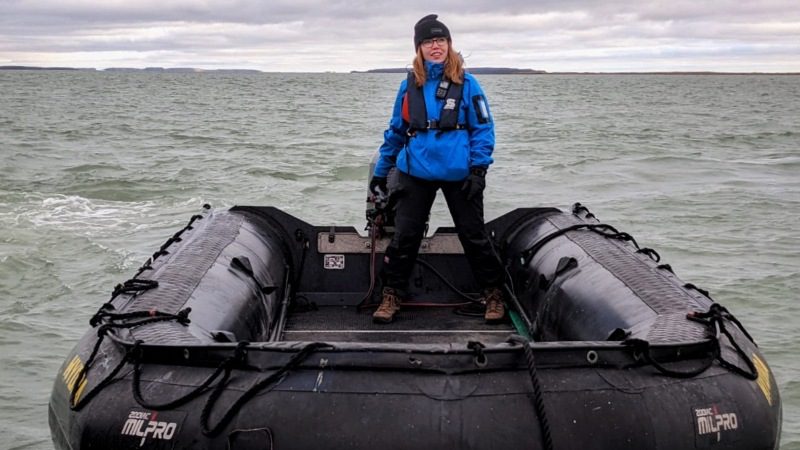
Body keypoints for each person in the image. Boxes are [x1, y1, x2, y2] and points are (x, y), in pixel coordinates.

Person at [369, 14, 506, 324]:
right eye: (429, 41)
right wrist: (382, 170)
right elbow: (395, 131)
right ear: (419, 48)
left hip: (460, 173)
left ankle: (493, 294)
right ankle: (391, 294)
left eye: (440, 40)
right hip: (415, 171)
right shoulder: (409, 87)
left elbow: (484, 129)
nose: (435, 46)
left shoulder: (468, 85)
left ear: (449, 44)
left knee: (473, 236)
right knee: (405, 236)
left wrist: (479, 170)